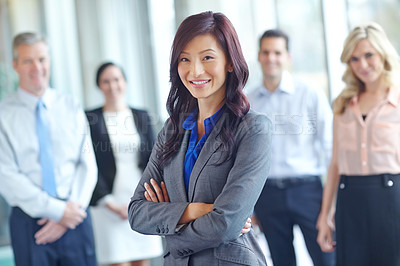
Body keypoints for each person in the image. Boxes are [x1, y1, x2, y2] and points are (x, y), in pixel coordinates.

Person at [128, 11, 272, 265]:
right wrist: (198, 209)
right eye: (185, 59)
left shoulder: (253, 128)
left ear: (230, 62)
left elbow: (226, 224)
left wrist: (170, 226)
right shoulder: (172, 130)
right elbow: (138, 212)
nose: (195, 70)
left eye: (207, 57)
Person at [0, 32, 97, 265]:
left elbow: (87, 165)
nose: (37, 67)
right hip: (30, 222)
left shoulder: (70, 105)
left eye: (42, 59)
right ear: (15, 65)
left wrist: (68, 214)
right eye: (27, 61)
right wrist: (57, 211)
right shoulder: (3, 114)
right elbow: (6, 176)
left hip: (76, 214)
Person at [247, 29, 335, 266]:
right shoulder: (249, 101)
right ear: (258, 56)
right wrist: (250, 206)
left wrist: (331, 203)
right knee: (281, 261)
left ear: (288, 56)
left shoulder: (310, 93)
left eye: (277, 52)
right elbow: (245, 158)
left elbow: (330, 148)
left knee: (327, 259)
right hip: (268, 194)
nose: (271, 58)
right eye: (266, 52)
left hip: (308, 191)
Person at [316, 22, 400, 266]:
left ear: (383, 53)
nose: (362, 65)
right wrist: (325, 215)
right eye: (354, 59)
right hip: (349, 199)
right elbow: (335, 164)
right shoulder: (342, 104)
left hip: (391, 198)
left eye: (368, 55)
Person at [86, 62, 163, 266]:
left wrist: (147, 198)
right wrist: (109, 203)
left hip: (140, 201)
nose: (112, 86)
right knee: (117, 260)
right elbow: (88, 165)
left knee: (142, 260)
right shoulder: (90, 119)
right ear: (99, 86)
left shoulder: (141, 116)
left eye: (117, 79)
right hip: (108, 205)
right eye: (106, 81)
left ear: (125, 83)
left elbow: (154, 160)